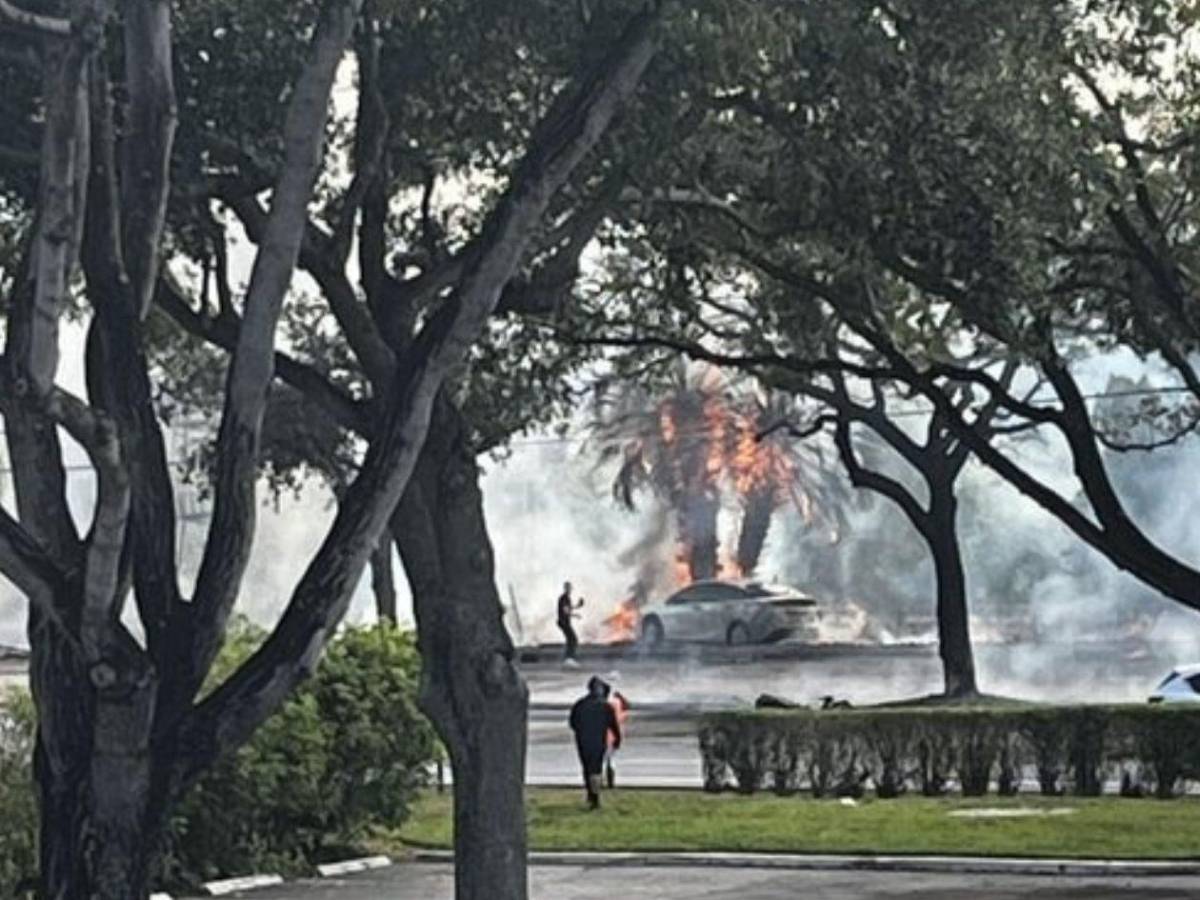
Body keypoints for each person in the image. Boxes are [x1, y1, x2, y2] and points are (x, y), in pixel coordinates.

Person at [568, 676, 621, 809]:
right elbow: (613, 726)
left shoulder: (580, 705)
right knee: (596, 769)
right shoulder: (606, 707)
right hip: (598, 741)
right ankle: (595, 798)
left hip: (583, 741)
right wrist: (617, 739)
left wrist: (581, 732)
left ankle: (590, 794)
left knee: (586, 768)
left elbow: (572, 723)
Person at [605, 687, 630, 789]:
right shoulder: (618, 706)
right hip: (614, 737)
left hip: (601, 736)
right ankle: (610, 783)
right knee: (610, 760)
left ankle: (600, 783)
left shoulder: (607, 704)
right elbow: (626, 710)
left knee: (601, 761)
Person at [557, 581, 584, 663]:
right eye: (569, 588)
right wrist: (576, 615)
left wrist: (577, 606)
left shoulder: (566, 598)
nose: (570, 590)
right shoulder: (564, 597)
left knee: (570, 640)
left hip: (564, 622)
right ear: (566, 589)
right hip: (563, 622)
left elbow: (568, 608)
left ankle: (568, 658)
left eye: (570, 588)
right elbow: (566, 611)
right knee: (573, 639)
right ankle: (569, 658)